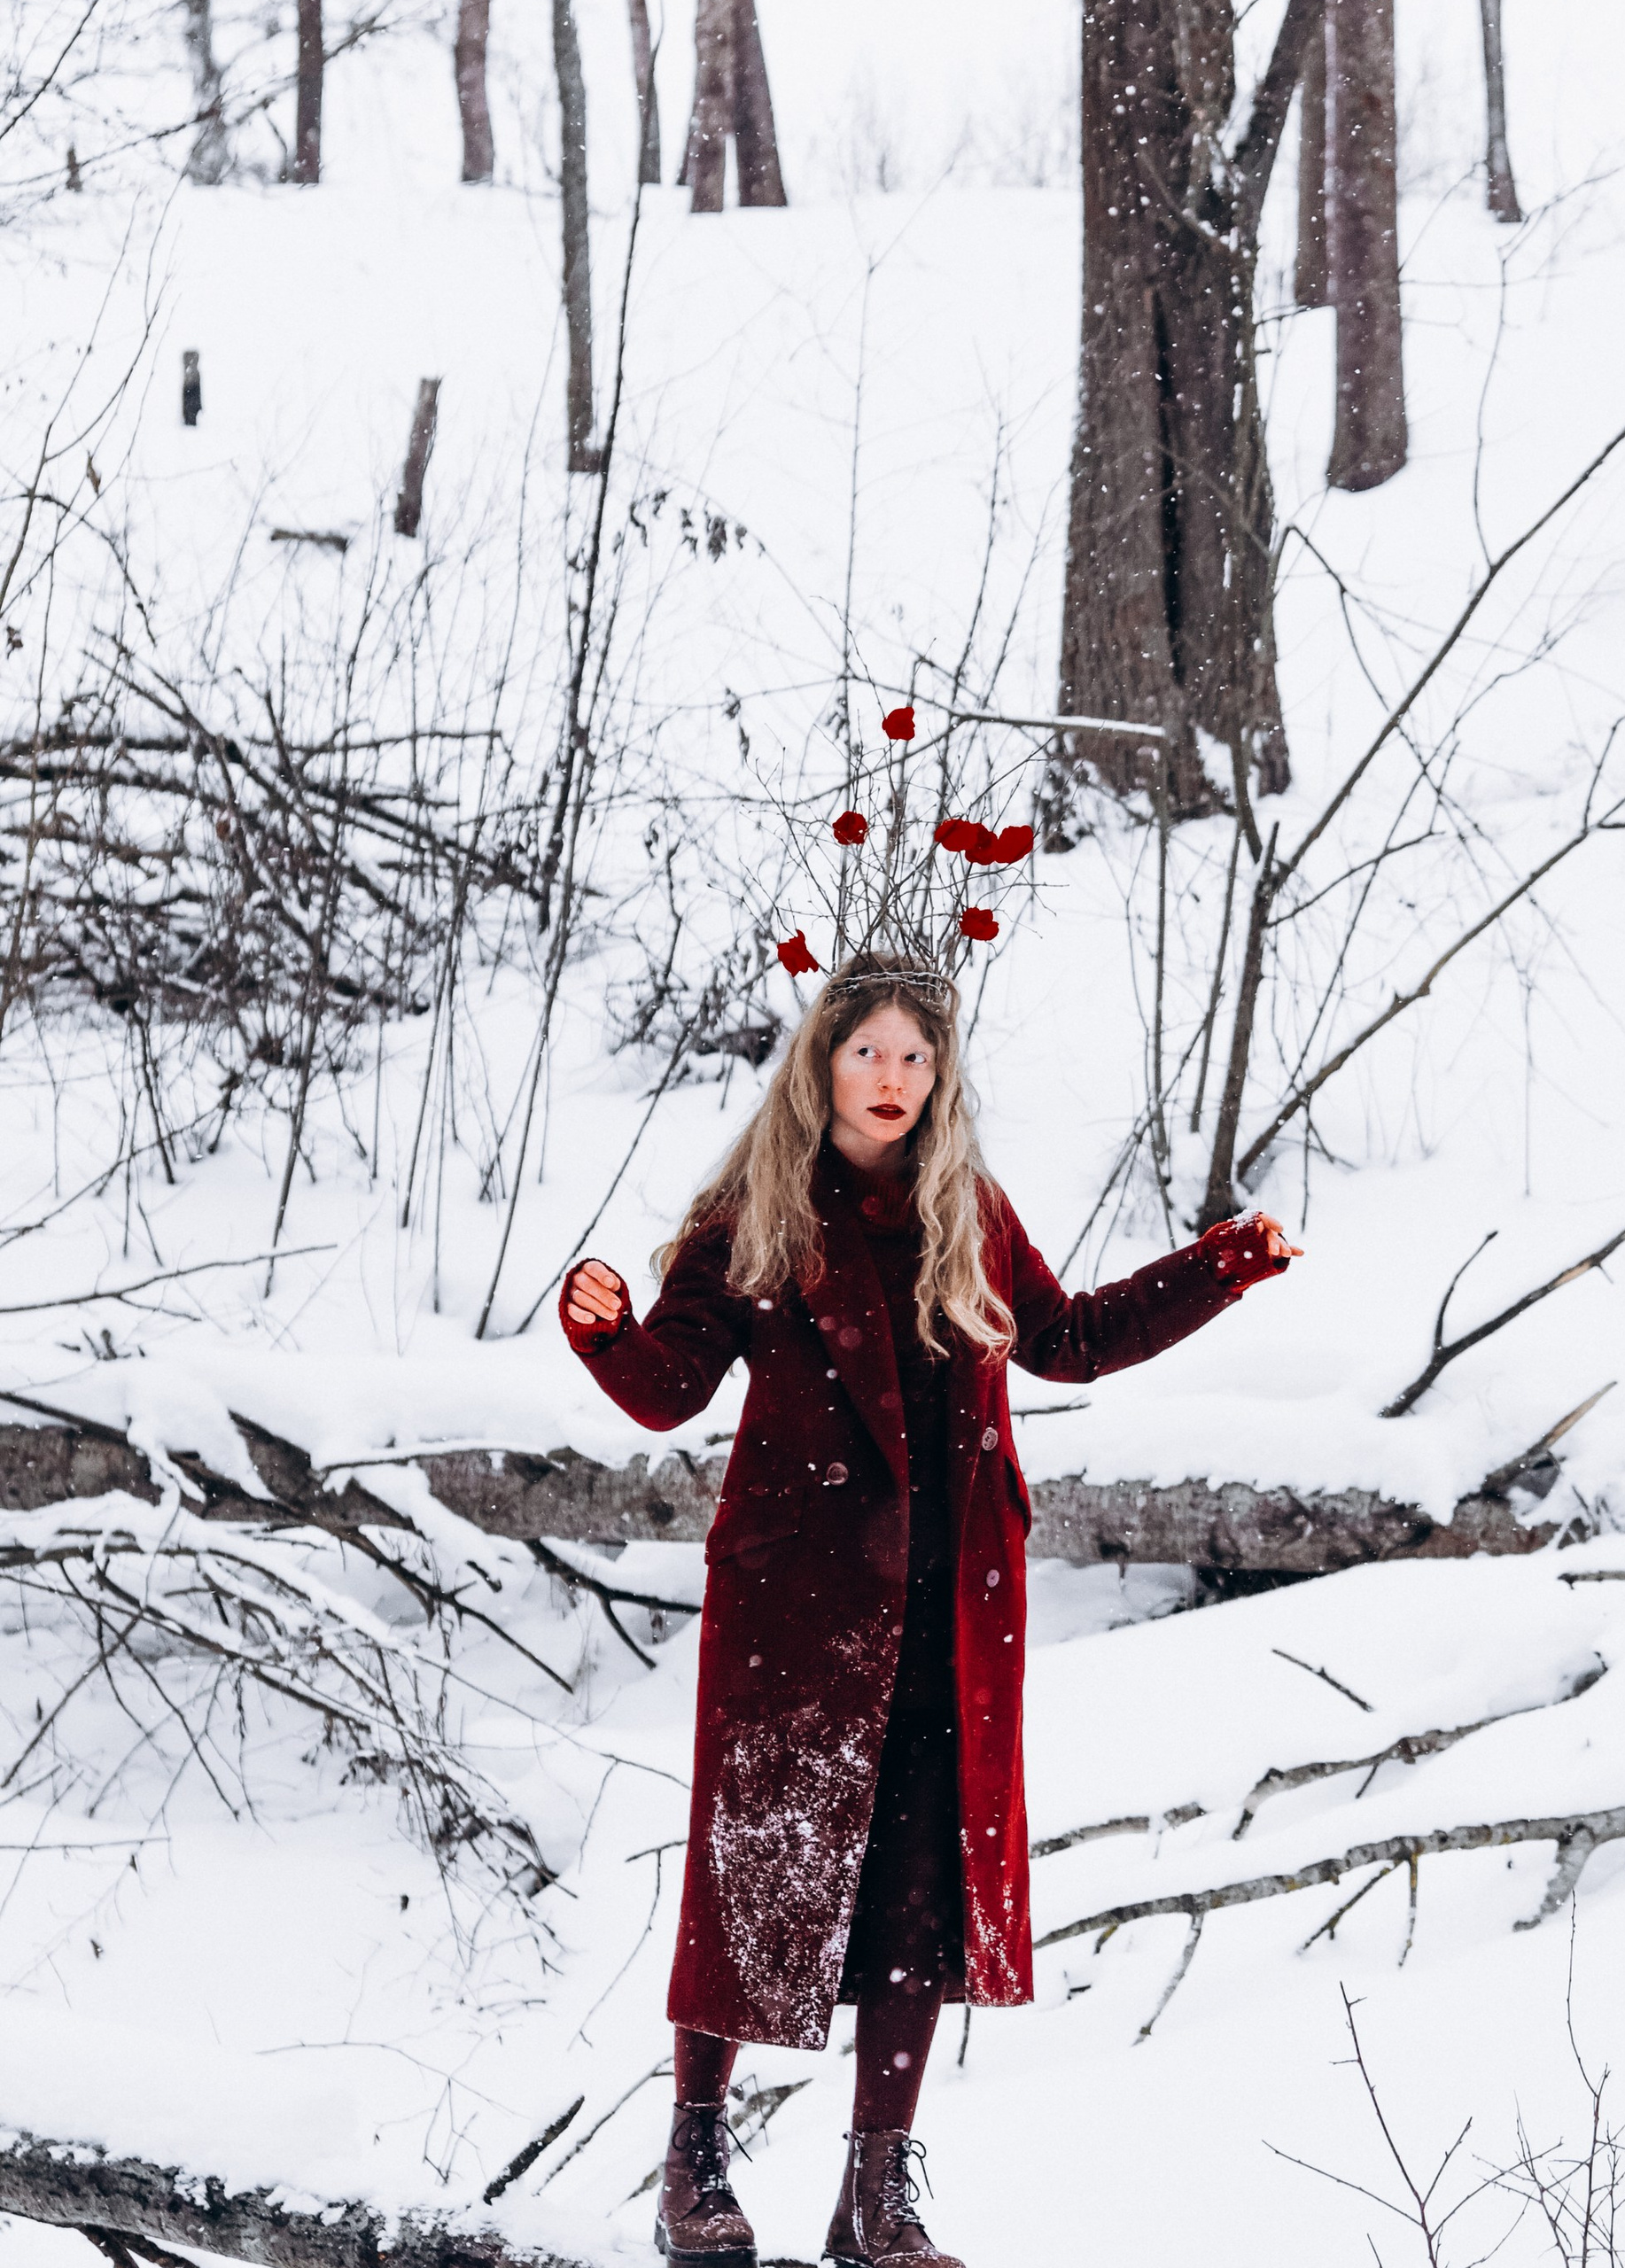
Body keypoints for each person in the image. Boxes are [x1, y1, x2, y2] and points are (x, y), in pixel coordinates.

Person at [559, 952, 1302, 2268]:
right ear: (823, 1066)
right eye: (869, 1054)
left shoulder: (969, 1209)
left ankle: (877, 2196)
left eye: (916, 1058)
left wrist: (1219, 1268)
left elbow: (1070, 1340)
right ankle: (694, 2159)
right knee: (756, 1879)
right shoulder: (757, 1214)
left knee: (916, 1898)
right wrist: (610, 1333)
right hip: (799, 1607)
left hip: (950, 1608)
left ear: (939, 1077)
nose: (893, 1079)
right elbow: (672, 1388)